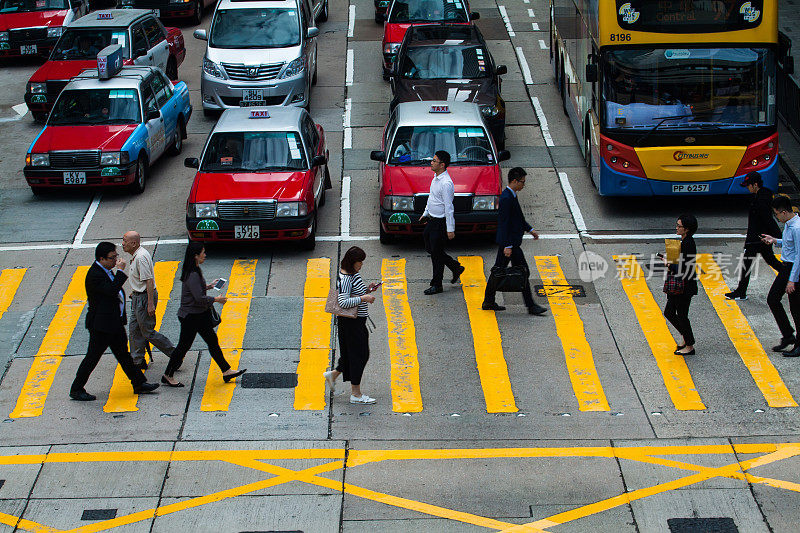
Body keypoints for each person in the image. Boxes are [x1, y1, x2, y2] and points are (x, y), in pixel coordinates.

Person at [69, 242, 159, 401]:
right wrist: (121, 272)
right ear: (101, 259)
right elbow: (111, 291)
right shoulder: (95, 274)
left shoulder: (106, 271)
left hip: (113, 323)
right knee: (92, 357)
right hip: (101, 326)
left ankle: (139, 383)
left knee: (124, 355)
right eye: (112, 258)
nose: (115, 260)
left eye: (116, 256)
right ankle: (76, 389)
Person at [161, 243, 246, 387]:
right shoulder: (192, 273)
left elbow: (196, 290)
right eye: (203, 253)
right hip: (191, 317)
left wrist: (209, 286)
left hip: (198, 315)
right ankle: (168, 375)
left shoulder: (193, 270)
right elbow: (199, 298)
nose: (205, 255)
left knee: (212, 341)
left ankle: (226, 370)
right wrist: (216, 299)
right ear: (195, 256)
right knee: (183, 346)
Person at [481, 167, 547, 315]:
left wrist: (530, 229)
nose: (524, 185)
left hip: (511, 244)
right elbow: (504, 223)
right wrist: (508, 246)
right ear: (515, 181)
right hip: (509, 245)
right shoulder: (506, 198)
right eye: (522, 182)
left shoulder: (512, 195)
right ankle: (530, 306)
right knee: (519, 272)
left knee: (500, 272)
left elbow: (518, 218)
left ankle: (489, 301)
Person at [323, 246, 379, 404]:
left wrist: (368, 290)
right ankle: (356, 394)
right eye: (359, 262)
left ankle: (333, 375)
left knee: (352, 354)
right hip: (351, 323)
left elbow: (355, 293)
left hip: (356, 321)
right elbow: (343, 301)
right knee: (359, 356)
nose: (361, 265)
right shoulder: (347, 277)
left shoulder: (352, 273)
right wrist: (364, 298)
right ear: (352, 262)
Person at [725, 171, 782, 301]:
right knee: (770, 261)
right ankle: (790, 275)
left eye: (748, 185)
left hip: (757, 239)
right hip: (759, 238)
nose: (747, 188)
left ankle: (741, 292)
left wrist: (779, 237)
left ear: (755, 184)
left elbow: (767, 219)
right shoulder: (761, 195)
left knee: (747, 264)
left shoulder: (761, 200)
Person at [122, 231, 175, 370]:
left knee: (147, 331)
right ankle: (137, 360)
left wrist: (150, 303)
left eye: (124, 240)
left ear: (133, 243)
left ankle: (175, 354)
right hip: (138, 297)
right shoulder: (136, 256)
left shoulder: (141, 257)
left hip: (145, 298)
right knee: (134, 329)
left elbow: (149, 281)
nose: (122, 244)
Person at [419, 150, 464, 295]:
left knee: (436, 255)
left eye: (434, 161)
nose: (431, 163)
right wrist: (425, 213)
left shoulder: (446, 183)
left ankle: (437, 284)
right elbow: (431, 198)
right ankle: (454, 266)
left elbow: (449, 207)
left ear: (442, 165)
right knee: (431, 248)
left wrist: (450, 229)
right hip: (432, 220)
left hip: (440, 223)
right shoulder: (436, 178)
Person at [761, 196, 800, 356]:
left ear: (784, 212)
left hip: (792, 269)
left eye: (777, 214)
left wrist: (792, 279)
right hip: (787, 268)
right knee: (774, 299)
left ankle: (796, 342)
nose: (776, 217)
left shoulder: (797, 228)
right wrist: (775, 240)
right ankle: (788, 336)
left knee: (796, 308)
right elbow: (790, 243)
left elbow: (799, 255)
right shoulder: (790, 225)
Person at [663, 214, 698, 356]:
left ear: (687, 229)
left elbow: (684, 268)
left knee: (682, 315)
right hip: (679, 285)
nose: (676, 228)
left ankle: (689, 346)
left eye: (679, 226)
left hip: (684, 286)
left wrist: (669, 264)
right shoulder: (684, 242)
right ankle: (686, 338)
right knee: (669, 312)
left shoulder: (688, 244)